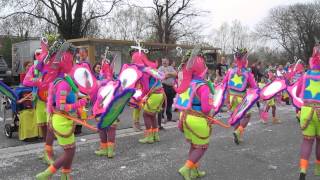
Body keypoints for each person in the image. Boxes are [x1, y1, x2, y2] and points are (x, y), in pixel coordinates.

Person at [36, 38, 85, 180]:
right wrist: (79, 104)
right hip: (62, 120)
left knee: (71, 150)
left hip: (61, 119)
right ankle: (47, 174)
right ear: (66, 61)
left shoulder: (62, 78)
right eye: (72, 60)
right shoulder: (62, 83)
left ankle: (65, 175)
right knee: (69, 152)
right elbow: (62, 106)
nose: (74, 63)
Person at [174, 50, 214, 180]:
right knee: (202, 147)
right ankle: (186, 168)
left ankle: (194, 171)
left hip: (184, 117)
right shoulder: (203, 86)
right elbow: (206, 108)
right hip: (198, 120)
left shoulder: (186, 84)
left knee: (194, 145)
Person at [222, 48, 257, 145]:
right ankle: (238, 131)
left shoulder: (230, 71)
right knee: (247, 116)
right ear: (244, 59)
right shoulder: (247, 72)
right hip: (242, 98)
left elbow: (223, 83)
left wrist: (225, 100)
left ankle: (237, 136)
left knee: (236, 116)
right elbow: (254, 87)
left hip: (232, 97)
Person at [295, 45, 320, 180]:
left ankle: (303, 170)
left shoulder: (305, 75)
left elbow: (298, 93)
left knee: (307, 141)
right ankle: (318, 169)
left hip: (306, 109)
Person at [158, 58, 177, 123]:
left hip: (171, 88)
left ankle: (169, 118)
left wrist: (168, 73)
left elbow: (175, 74)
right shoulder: (160, 68)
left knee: (169, 103)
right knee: (163, 103)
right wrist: (170, 74)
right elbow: (163, 76)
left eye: (165, 61)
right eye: (163, 61)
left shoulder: (171, 67)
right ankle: (162, 118)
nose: (164, 62)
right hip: (163, 87)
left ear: (168, 62)